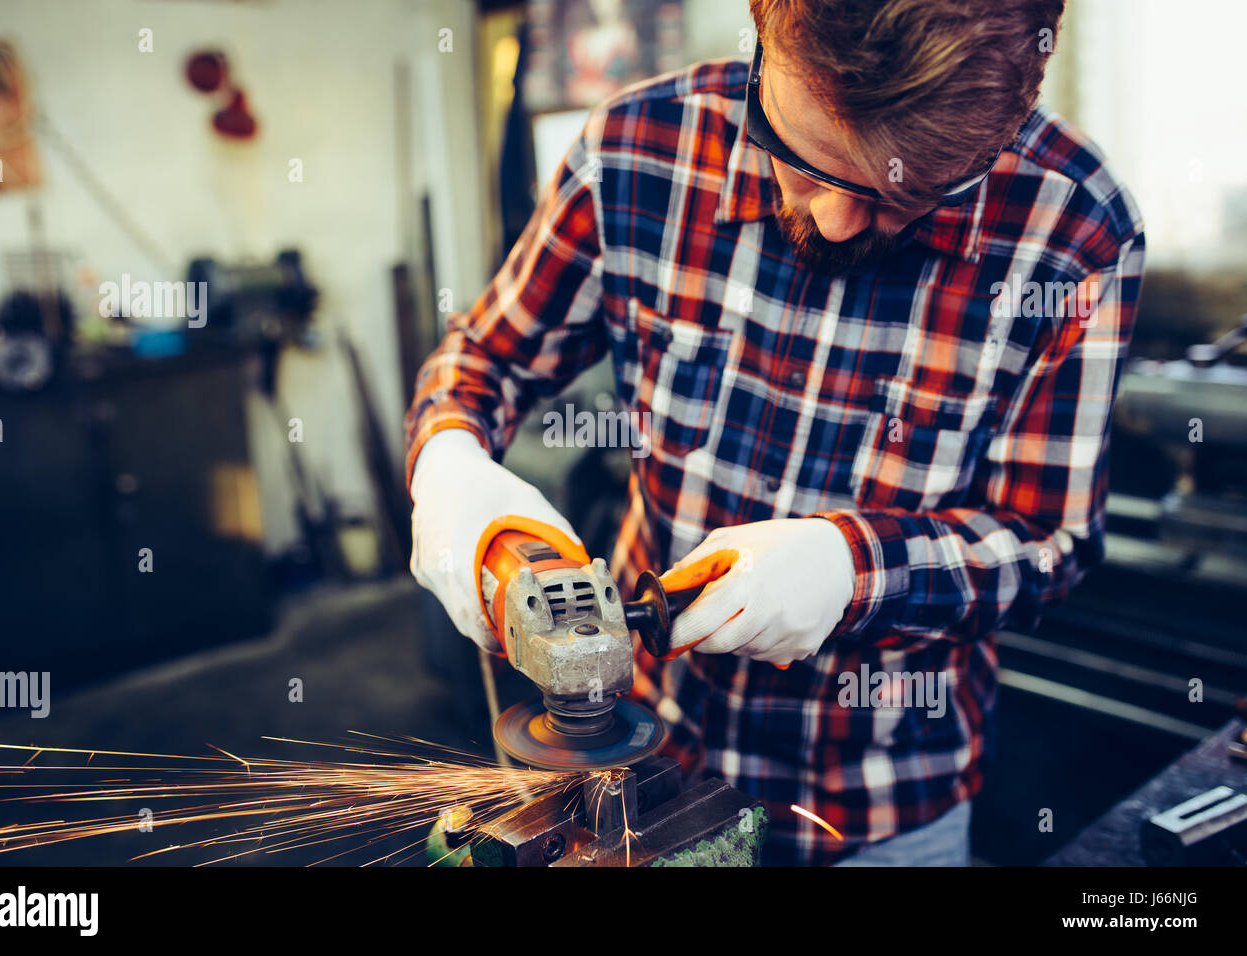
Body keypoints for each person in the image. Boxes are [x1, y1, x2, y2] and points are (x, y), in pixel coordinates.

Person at [405, 0, 1144, 865]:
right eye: (799, 157)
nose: (831, 220)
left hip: (883, 810)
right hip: (644, 777)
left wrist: (854, 570)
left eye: (902, 196)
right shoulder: (634, 152)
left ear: (1002, 125)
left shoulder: (1073, 226)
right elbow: (485, 357)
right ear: (765, 29)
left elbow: (1048, 541)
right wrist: (451, 463)